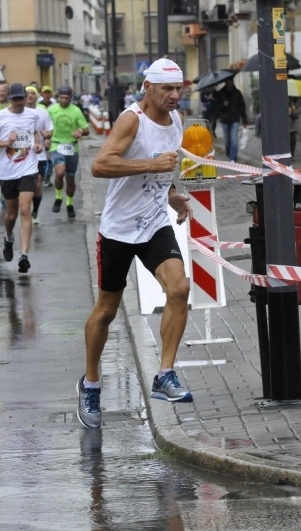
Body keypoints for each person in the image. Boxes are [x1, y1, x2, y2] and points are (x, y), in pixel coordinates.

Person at [77, 58, 193, 430]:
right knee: (107, 310)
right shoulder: (132, 120)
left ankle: (165, 374)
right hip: (119, 230)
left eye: (178, 89)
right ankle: (91, 382)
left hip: (155, 223)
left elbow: (163, 169)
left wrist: (172, 194)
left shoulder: (177, 121)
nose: (174, 96)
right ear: (148, 88)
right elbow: (100, 165)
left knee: (180, 289)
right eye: (167, 90)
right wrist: (149, 165)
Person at [0, 83, 43, 274]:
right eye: (14, 98)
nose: (18, 102)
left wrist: (37, 144)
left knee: (25, 210)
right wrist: (5, 142)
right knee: (11, 214)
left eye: (21, 98)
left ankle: (24, 255)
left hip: (28, 168)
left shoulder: (34, 114)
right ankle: (8, 238)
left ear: (26, 98)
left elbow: (34, 133)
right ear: (9, 99)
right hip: (8, 171)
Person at [48, 85, 89, 219]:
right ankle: (58, 197)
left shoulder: (76, 111)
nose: (64, 100)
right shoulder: (52, 110)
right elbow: (44, 126)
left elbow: (86, 129)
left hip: (72, 147)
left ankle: (69, 204)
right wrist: (46, 137)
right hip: (56, 145)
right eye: (62, 98)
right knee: (60, 172)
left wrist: (80, 131)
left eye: (67, 98)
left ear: (71, 98)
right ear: (58, 97)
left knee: (70, 180)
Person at [24, 86, 53, 222]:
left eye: (32, 94)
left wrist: (47, 137)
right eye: (27, 93)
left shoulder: (43, 113)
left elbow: (49, 130)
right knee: (25, 186)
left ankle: (34, 212)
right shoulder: (18, 112)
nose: (30, 96)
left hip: (39, 154)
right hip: (22, 155)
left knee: (38, 184)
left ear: (37, 97)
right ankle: (26, 212)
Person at [213, 77, 249, 162]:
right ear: (226, 83)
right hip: (224, 120)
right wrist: (223, 104)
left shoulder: (237, 93)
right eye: (228, 82)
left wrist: (244, 120)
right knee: (227, 140)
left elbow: (242, 107)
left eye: (231, 82)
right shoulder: (220, 93)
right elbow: (216, 107)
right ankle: (229, 153)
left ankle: (233, 158)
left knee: (234, 139)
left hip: (235, 119)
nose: (230, 83)